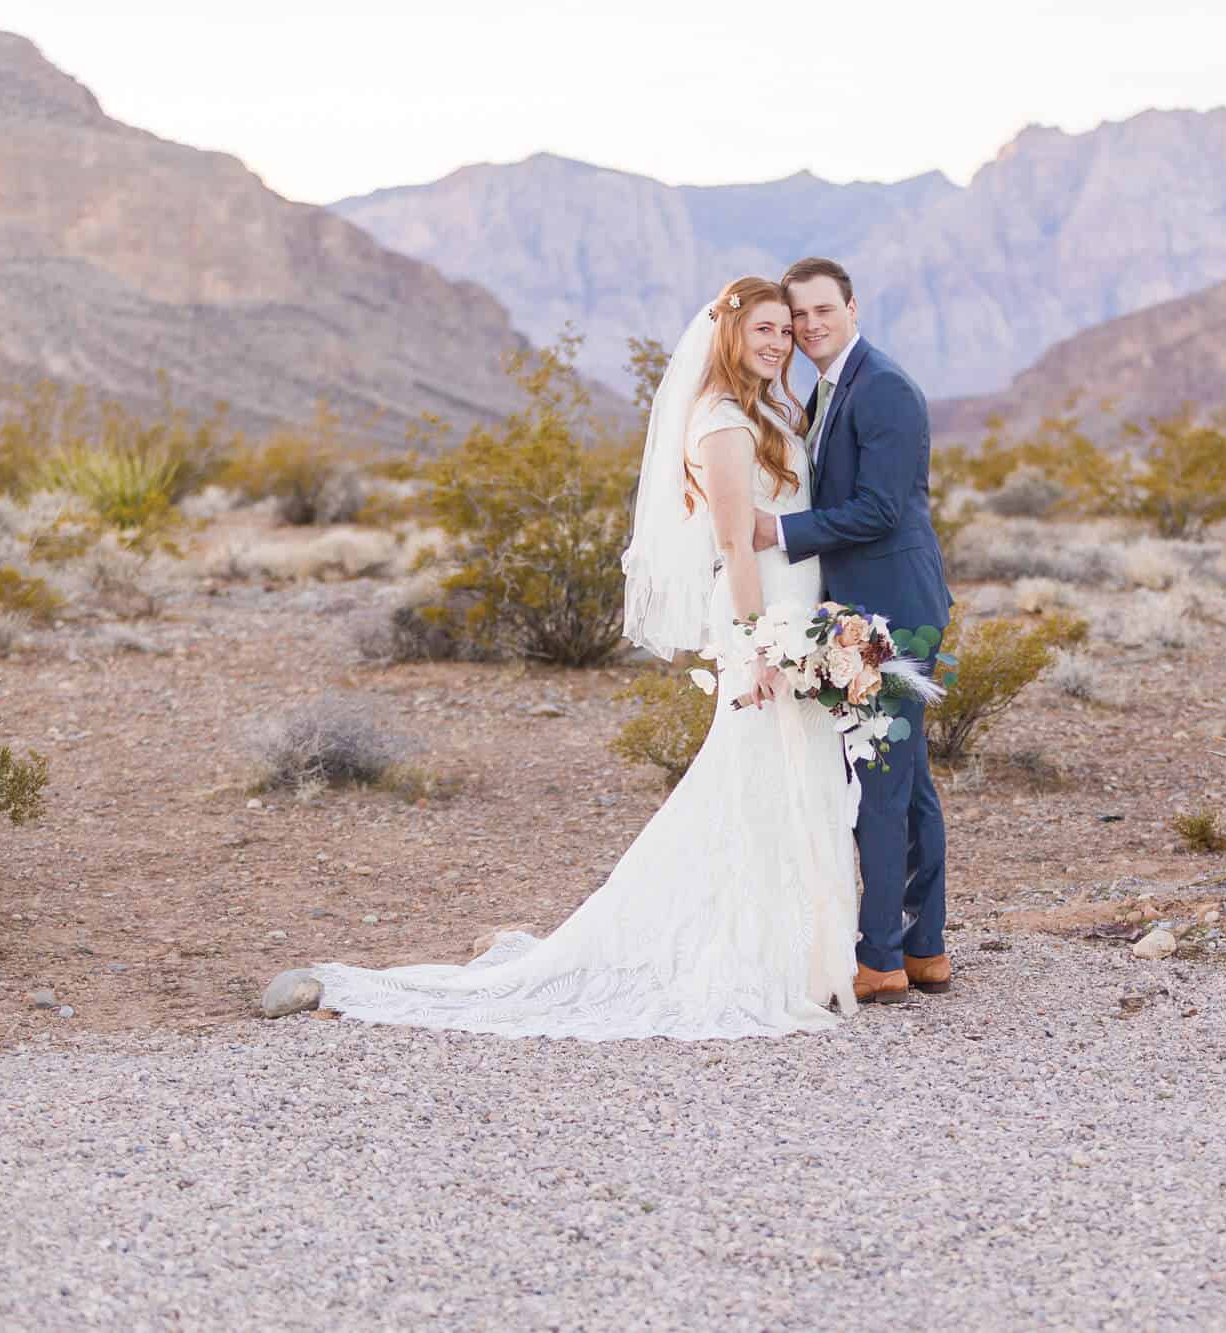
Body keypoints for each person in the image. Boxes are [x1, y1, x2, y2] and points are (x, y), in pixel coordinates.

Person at [310, 276, 861, 1039]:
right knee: (752, 784)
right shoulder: (724, 422)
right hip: (765, 625)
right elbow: (735, 544)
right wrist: (760, 645)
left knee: (788, 783)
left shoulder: (767, 409)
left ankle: (801, 948)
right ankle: (739, 949)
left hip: (797, 618)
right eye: (761, 330)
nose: (776, 342)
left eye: (782, 330)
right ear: (728, 335)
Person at [751, 257, 953, 1005]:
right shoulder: (829, 388)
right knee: (910, 785)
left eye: (820, 311)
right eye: (797, 316)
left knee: (880, 784)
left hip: (896, 613)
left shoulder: (886, 387)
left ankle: (879, 959)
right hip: (866, 607)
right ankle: (923, 948)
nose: (808, 326)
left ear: (851, 305)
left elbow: (880, 510)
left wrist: (777, 529)